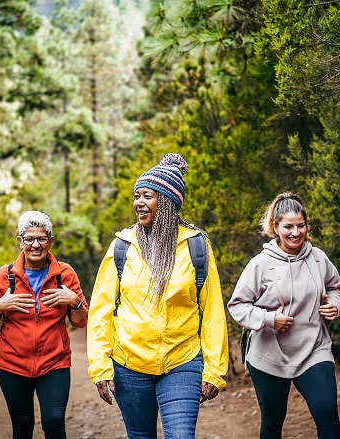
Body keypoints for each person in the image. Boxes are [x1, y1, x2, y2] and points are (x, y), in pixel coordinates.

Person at [87, 153, 229, 439]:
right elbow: (101, 311)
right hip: (130, 365)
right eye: (137, 196)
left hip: (182, 361)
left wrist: (215, 369)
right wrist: (100, 366)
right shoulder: (122, 246)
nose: (138, 203)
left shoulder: (195, 245)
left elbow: (212, 310)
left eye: (147, 196)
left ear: (166, 202)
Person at [227, 192, 340, 439]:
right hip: (270, 355)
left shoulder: (318, 257)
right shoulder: (260, 264)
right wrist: (270, 319)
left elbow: (334, 286)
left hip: (314, 348)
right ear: (275, 227)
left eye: (301, 226)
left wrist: (334, 304)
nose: (295, 232)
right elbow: (237, 306)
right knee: (272, 423)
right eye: (288, 226)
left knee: (327, 412)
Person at [0, 211, 88, 439]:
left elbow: (81, 321)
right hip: (12, 364)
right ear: (20, 242)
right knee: (22, 426)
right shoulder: (4, 276)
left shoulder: (65, 274)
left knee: (54, 422)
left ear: (50, 241)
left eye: (41, 239)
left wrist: (75, 301)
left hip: (54, 362)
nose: (35, 245)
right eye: (29, 239)